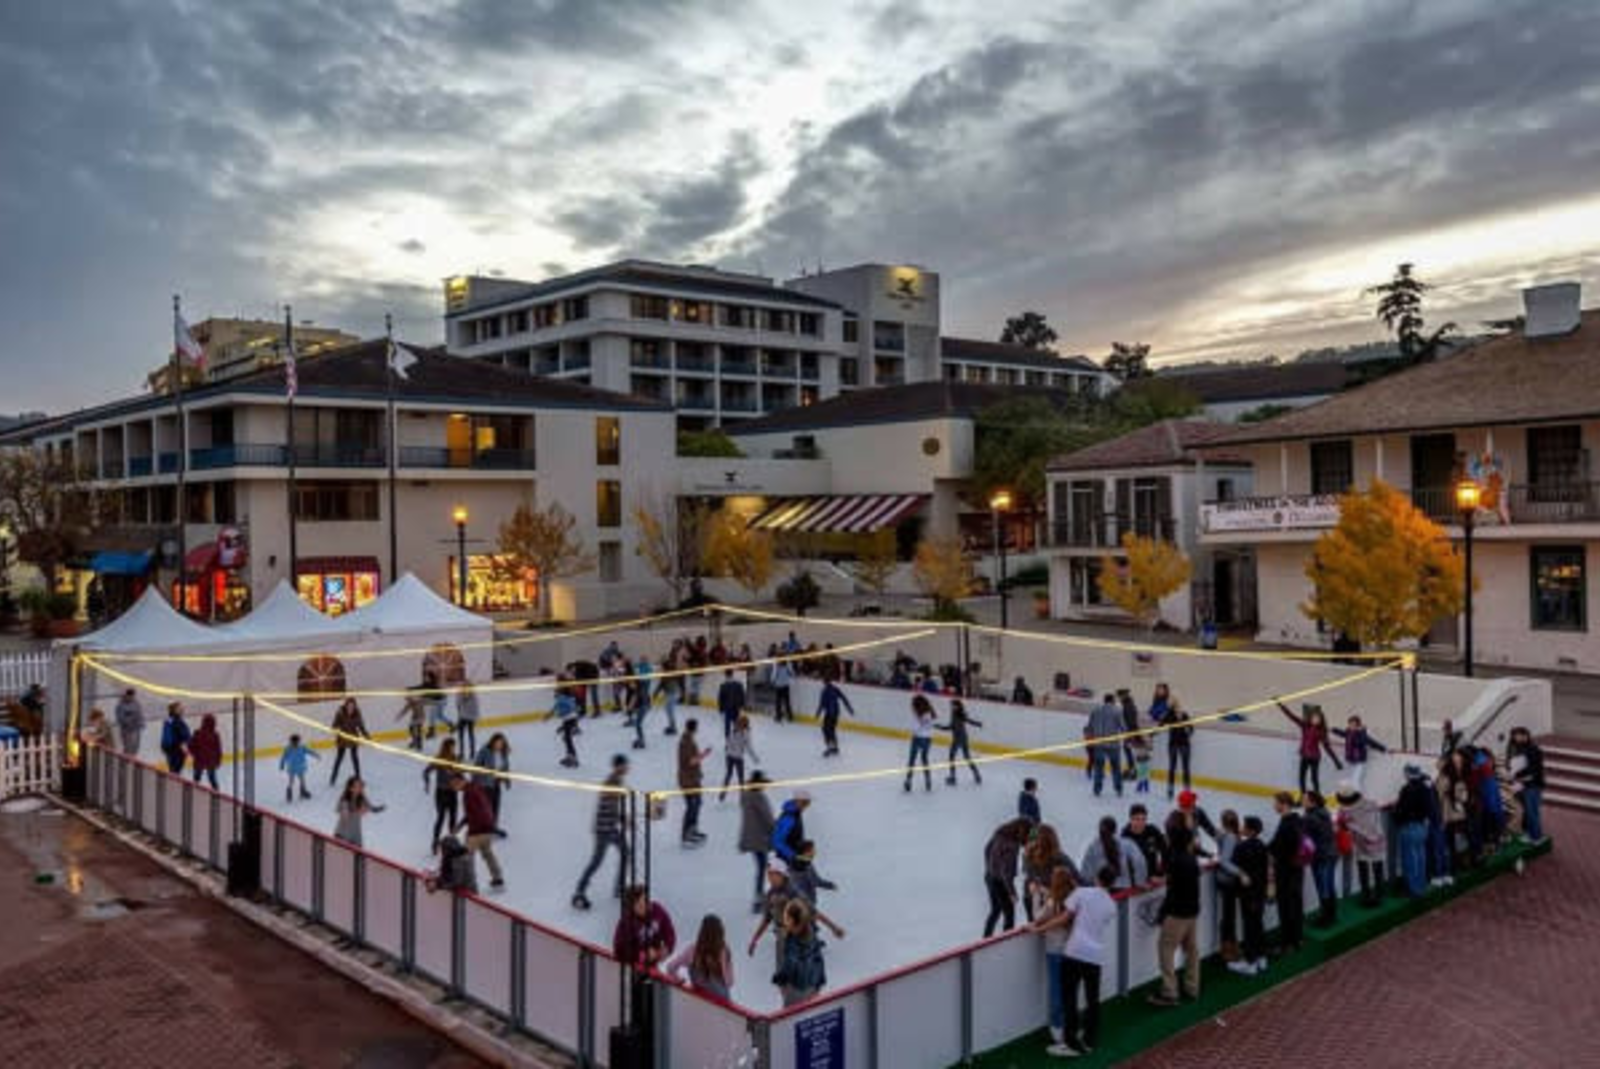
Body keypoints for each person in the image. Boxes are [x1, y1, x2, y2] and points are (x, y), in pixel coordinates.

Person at [1050, 864, 1117, 1057]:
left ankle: (1070, 1043)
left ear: (1097, 877)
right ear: (1112, 883)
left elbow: (1064, 917)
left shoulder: (1081, 893)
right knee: (1092, 1000)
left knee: (1069, 998)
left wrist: (1038, 928)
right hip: (1095, 956)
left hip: (1074, 952)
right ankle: (1089, 1040)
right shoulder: (1111, 906)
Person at [1148, 824, 1202, 1007]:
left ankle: (1170, 992)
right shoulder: (1191, 859)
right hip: (1192, 911)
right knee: (1191, 950)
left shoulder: (1175, 860)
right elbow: (1181, 881)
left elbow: (1173, 891)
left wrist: (1162, 914)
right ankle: (1192, 987)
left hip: (1177, 913)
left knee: (1166, 949)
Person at [572, 754, 631, 910]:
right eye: (625, 765)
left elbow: (613, 806)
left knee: (625, 852)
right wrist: (624, 819)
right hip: (604, 829)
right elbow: (610, 806)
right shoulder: (612, 782)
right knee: (596, 862)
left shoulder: (617, 781)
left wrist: (622, 819)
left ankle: (619, 888)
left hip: (610, 827)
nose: (627, 768)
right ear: (618, 767)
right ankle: (579, 891)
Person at [1032, 866, 1075, 1051]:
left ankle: (1058, 1031)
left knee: (1056, 991)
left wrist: (1035, 896)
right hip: (1072, 951)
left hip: (1055, 951)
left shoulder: (1052, 903)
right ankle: (1070, 1026)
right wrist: (1045, 892)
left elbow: (1037, 918)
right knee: (1069, 990)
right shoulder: (1074, 899)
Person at [1227, 816, 1270, 976]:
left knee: (1249, 926)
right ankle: (1261, 957)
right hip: (1260, 892)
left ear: (1250, 830)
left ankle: (1251, 961)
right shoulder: (1262, 846)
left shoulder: (1242, 847)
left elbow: (1232, 866)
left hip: (1248, 894)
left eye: (1244, 826)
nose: (1241, 828)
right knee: (1258, 923)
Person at [1335, 780, 1387, 907]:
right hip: (1376, 838)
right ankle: (1378, 894)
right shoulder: (1369, 802)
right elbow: (1377, 810)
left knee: (1364, 868)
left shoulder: (1344, 809)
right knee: (1376, 867)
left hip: (1362, 842)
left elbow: (1342, 824)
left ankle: (1367, 896)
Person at [1268, 790, 1308, 952]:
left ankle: (1287, 942)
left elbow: (1276, 846)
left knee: (1285, 907)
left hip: (1286, 871)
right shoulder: (1297, 820)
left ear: (1283, 804)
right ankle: (1297, 938)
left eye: (1275, 802)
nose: (1274, 805)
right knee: (1296, 905)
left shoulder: (1286, 824)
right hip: (1297, 869)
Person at [1276, 701, 1342, 795]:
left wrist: (1336, 761)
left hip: (1315, 757)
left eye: (1317, 718)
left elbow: (1327, 748)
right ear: (1311, 718)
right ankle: (1303, 797)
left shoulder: (1321, 732)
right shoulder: (1305, 726)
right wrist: (1280, 705)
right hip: (1304, 756)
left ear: (1321, 720)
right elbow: (1292, 717)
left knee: (1314, 778)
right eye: (1314, 718)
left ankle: (1318, 797)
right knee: (1301, 777)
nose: (1315, 719)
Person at [453, 772, 505, 891]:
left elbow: (473, 814)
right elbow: (482, 809)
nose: (454, 788)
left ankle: (470, 885)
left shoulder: (468, 793)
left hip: (478, 829)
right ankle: (498, 878)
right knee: (487, 853)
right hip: (488, 827)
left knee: (467, 857)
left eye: (455, 785)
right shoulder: (475, 788)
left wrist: (470, 831)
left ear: (460, 781)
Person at [982, 817, 1033, 937]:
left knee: (995, 910)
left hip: (990, 877)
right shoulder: (1012, 845)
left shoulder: (999, 834)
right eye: (1028, 835)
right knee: (1009, 913)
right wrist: (1012, 892)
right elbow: (1006, 872)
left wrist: (989, 868)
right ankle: (1007, 940)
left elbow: (986, 849)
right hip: (1001, 882)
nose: (1028, 839)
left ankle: (985, 937)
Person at [665, 914, 734, 1000]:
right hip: (722, 1006)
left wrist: (679, 981)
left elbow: (670, 967)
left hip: (699, 1002)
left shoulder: (693, 951)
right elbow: (730, 982)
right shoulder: (724, 952)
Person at [614, 884, 676, 978]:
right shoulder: (626, 922)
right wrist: (640, 955)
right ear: (631, 907)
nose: (646, 906)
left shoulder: (657, 911)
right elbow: (619, 949)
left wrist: (667, 948)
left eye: (646, 900)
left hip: (651, 967)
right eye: (640, 905)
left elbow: (669, 932)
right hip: (632, 970)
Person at [773, 899, 828, 1007]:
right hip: (812, 986)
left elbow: (787, 963)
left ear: (791, 920)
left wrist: (781, 981)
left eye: (786, 917)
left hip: (795, 989)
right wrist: (820, 981)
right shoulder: (812, 935)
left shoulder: (786, 940)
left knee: (794, 1016)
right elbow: (819, 960)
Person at [1022, 823, 1078, 924]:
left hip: (1056, 900)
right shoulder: (1028, 856)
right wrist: (1032, 883)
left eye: (1037, 843)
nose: (1033, 846)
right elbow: (1029, 875)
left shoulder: (1060, 859)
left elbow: (1077, 880)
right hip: (1037, 899)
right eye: (1032, 841)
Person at [1394, 764, 1434, 897]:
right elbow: (1429, 808)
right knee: (1421, 857)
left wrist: (1396, 815)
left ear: (1408, 774)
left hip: (1409, 827)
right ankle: (1421, 885)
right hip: (1422, 826)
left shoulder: (1407, 790)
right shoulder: (1425, 788)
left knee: (1410, 860)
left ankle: (1413, 890)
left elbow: (1401, 811)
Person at [739, 771, 776, 913]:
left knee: (763, 867)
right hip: (760, 839)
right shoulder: (759, 798)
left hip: (750, 838)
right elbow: (768, 819)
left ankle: (760, 897)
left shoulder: (746, 796)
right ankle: (760, 899)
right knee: (763, 868)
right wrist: (777, 832)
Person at [1081, 814, 1147, 890]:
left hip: (1101, 889)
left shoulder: (1092, 847)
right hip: (1124, 887)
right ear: (1115, 830)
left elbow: (1085, 874)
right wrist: (1139, 883)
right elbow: (1140, 863)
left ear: (1099, 830)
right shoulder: (1127, 843)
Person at [1303, 790, 1338, 927]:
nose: (1302, 801)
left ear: (1313, 802)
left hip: (1321, 856)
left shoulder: (1309, 817)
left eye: (1305, 799)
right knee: (1328, 886)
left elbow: (1304, 837)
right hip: (1330, 853)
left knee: (1323, 887)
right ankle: (1331, 915)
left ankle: (1326, 918)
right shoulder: (1324, 812)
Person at [1214, 809, 1245, 961]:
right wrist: (1240, 873)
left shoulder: (1224, 834)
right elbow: (1224, 861)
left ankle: (1230, 945)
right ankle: (1228, 948)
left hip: (1224, 880)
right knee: (1229, 916)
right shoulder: (1231, 837)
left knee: (1229, 915)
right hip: (1228, 881)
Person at [1507, 726, 1546, 843]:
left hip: (1533, 785)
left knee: (1532, 812)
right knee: (1530, 811)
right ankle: (1532, 834)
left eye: (1519, 735)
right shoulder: (1523, 748)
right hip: (1526, 784)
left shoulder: (1533, 749)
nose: (1516, 738)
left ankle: (1536, 837)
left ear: (1526, 735)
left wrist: (1517, 775)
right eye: (1515, 736)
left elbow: (1533, 770)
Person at [676, 718, 711, 846]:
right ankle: (686, 834)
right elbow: (691, 761)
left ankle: (693, 829)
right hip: (687, 780)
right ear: (694, 728)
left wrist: (699, 772)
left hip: (693, 779)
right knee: (691, 806)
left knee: (697, 804)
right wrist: (704, 754)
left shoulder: (689, 740)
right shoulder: (686, 742)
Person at [1331, 715, 1387, 793]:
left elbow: (1370, 742)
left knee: (1356, 780)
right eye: (1350, 724)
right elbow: (1341, 733)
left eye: (1354, 724)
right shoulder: (1348, 732)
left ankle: (1358, 794)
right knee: (1351, 779)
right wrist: (1333, 729)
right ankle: (1349, 792)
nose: (1351, 726)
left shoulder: (1361, 734)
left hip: (1360, 760)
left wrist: (1383, 749)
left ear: (1358, 725)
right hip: (1350, 759)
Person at [472, 733, 512, 837]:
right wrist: (474, 782)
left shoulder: (503, 753)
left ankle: (493, 827)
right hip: (484, 784)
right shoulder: (485, 751)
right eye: (497, 743)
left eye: (501, 743)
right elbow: (476, 766)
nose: (499, 745)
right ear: (493, 742)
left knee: (495, 806)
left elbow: (505, 767)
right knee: (486, 808)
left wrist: (507, 780)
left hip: (496, 783)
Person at [936, 698, 984, 786]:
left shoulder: (959, 714)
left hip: (958, 739)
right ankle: (977, 775)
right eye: (951, 705)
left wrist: (977, 724)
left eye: (953, 705)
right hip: (963, 738)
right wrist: (940, 727)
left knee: (952, 758)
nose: (951, 707)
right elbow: (953, 726)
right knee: (966, 757)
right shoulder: (955, 713)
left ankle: (953, 778)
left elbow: (966, 722)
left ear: (957, 706)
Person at [424, 738, 461, 851]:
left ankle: (452, 842)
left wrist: (461, 783)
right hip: (441, 793)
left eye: (454, 747)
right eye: (452, 746)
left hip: (452, 792)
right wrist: (427, 783)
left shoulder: (455, 759)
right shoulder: (439, 759)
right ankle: (435, 842)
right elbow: (426, 771)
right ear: (446, 747)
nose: (454, 749)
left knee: (453, 819)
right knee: (440, 818)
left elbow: (459, 775)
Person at [1086, 693, 1124, 798]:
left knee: (1098, 768)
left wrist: (1091, 738)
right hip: (1113, 745)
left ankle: (1097, 789)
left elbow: (1090, 726)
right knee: (1116, 768)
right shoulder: (1117, 711)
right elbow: (1123, 726)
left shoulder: (1096, 710)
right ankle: (1118, 789)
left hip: (1099, 743)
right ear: (1112, 701)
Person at [334, 776, 385, 847]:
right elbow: (345, 815)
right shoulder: (345, 800)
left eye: (361, 785)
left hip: (355, 835)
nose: (361, 787)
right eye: (358, 786)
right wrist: (358, 811)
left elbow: (371, 808)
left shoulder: (362, 797)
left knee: (358, 855)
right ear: (351, 788)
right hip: (343, 835)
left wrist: (378, 809)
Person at [329, 698, 371, 785]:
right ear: (346, 705)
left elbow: (361, 726)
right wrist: (335, 728)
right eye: (349, 705)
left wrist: (366, 735)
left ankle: (358, 778)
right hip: (342, 738)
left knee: (355, 759)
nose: (350, 707)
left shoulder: (357, 713)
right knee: (339, 759)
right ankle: (333, 779)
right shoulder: (340, 712)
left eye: (352, 706)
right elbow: (334, 725)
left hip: (353, 738)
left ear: (355, 706)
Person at [1121, 804, 1168, 880]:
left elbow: (1165, 850)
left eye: (1143, 819)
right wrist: (1148, 877)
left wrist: (1165, 869)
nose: (1140, 823)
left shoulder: (1152, 830)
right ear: (1131, 819)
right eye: (1137, 819)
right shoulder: (1125, 837)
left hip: (1155, 873)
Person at [720, 713, 760, 801]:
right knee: (733, 776)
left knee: (736, 777)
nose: (739, 725)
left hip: (735, 757)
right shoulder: (737, 731)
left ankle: (738, 796)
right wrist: (728, 747)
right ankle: (724, 794)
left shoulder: (743, 733)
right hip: (733, 757)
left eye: (741, 724)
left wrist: (754, 757)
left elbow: (748, 746)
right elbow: (730, 741)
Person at [816, 672, 855, 757]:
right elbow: (844, 698)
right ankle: (835, 747)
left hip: (830, 713)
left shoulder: (825, 691)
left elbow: (822, 704)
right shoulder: (835, 689)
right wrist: (849, 709)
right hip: (836, 713)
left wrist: (818, 713)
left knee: (826, 730)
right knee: (831, 730)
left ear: (824, 682)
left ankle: (830, 747)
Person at [904, 694, 937, 792]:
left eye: (913, 704)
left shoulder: (919, 714)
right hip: (927, 739)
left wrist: (913, 730)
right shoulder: (929, 713)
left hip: (918, 738)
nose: (911, 706)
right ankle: (928, 781)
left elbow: (917, 727)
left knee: (912, 759)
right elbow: (930, 726)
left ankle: (908, 781)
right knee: (924, 759)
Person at [772, 791, 811, 867]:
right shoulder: (789, 817)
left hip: (793, 857)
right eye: (806, 803)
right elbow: (777, 841)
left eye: (808, 804)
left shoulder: (795, 814)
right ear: (798, 802)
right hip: (786, 860)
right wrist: (792, 855)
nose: (806, 807)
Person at [1165, 700, 1194, 798]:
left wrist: (1188, 730)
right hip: (1173, 744)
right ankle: (1170, 789)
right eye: (1176, 708)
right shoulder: (1169, 716)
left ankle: (1187, 789)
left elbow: (1191, 729)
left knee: (1185, 768)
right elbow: (1160, 725)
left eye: (1179, 708)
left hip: (1184, 745)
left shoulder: (1185, 716)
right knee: (1172, 767)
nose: (1178, 710)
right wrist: (1151, 735)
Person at [278, 733, 319, 802]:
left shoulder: (302, 747)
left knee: (302, 780)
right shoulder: (288, 749)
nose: (295, 744)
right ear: (291, 742)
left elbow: (309, 751)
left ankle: (303, 792)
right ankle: (289, 794)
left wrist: (316, 755)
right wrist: (282, 764)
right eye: (293, 742)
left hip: (300, 767)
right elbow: (283, 757)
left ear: (298, 741)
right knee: (291, 781)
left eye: (296, 742)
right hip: (292, 768)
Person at [188, 713, 223, 789]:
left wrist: (194, 754)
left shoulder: (197, 733)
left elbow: (191, 746)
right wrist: (218, 760)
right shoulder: (215, 735)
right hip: (210, 760)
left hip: (199, 760)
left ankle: (195, 790)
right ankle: (216, 792)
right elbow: (218, 749)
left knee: (197, 777)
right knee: (212, 778)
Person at [554, 682, 582, 768]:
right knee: (566, 739)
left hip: (569, 720)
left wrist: (560, 713)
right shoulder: (565, 698)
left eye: (556, 692)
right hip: (569, 720)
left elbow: (569, 708)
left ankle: (573, 759)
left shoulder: (562, 699)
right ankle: (569, 757)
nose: (554, 693)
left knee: (567, 739)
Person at [160, 703, 191, 774]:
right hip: (177, 750)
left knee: (173, 770)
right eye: (180, 708)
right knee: (175, 771)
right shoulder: (178, 722)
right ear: (175, 710)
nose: (183, 710)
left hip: (171, 750)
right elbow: (185, 736)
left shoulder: (169, 721)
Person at [421, 669, 452, 739]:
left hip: (441, 700)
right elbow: (421, 688)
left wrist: (424, 698)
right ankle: (451, 725)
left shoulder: (433, 684)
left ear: (430, 677)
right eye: (425, 677)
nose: (425, 678)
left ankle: (432, 732)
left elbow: (430, 695)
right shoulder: (427, 684)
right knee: (439, 716)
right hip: (439, 700)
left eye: (426, 677)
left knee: (432, 716)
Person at [717, 669, 746, 740]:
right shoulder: (739, 684)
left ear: (725, 675)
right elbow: (742, 695)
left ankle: (728, 741)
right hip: (736, 708)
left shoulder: (723, 686)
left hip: (728, 709)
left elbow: (721, 698)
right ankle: (736, 740)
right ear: (732, 674)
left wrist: (721, 709)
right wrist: (742, 706)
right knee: (736, 724)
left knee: (728, 726)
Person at [455, 680, 481, 757]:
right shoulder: (461, 693)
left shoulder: (473, 695)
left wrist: (464, 697)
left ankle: (471, 752)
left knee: (469, 734)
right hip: (463, 716)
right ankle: (463, 752)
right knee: (462, 735)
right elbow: (458, 704)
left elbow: (474, 707)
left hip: (468, 717)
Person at [114, 689, 144, 755]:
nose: (131, 698)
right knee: (127, 746)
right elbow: (120, 718)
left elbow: (140, 714)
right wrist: (130, 720)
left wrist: (141, 723)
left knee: (135, 746)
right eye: (130, 696)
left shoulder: (136, 703)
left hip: (136, 728)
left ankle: (133, 759)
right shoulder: (121, 705)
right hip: (126, 730)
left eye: (133, 696)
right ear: (127, 695)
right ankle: (126, 762)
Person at [771, 658, 795, 723]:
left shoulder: (777, 664)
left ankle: (779, 716)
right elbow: (792, 673)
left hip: (780, 685)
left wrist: (772, 680)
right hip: (785, 684)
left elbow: (774, 673)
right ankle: (789, 716)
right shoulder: (787, 663)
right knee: (786, 701)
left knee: (779, 702)